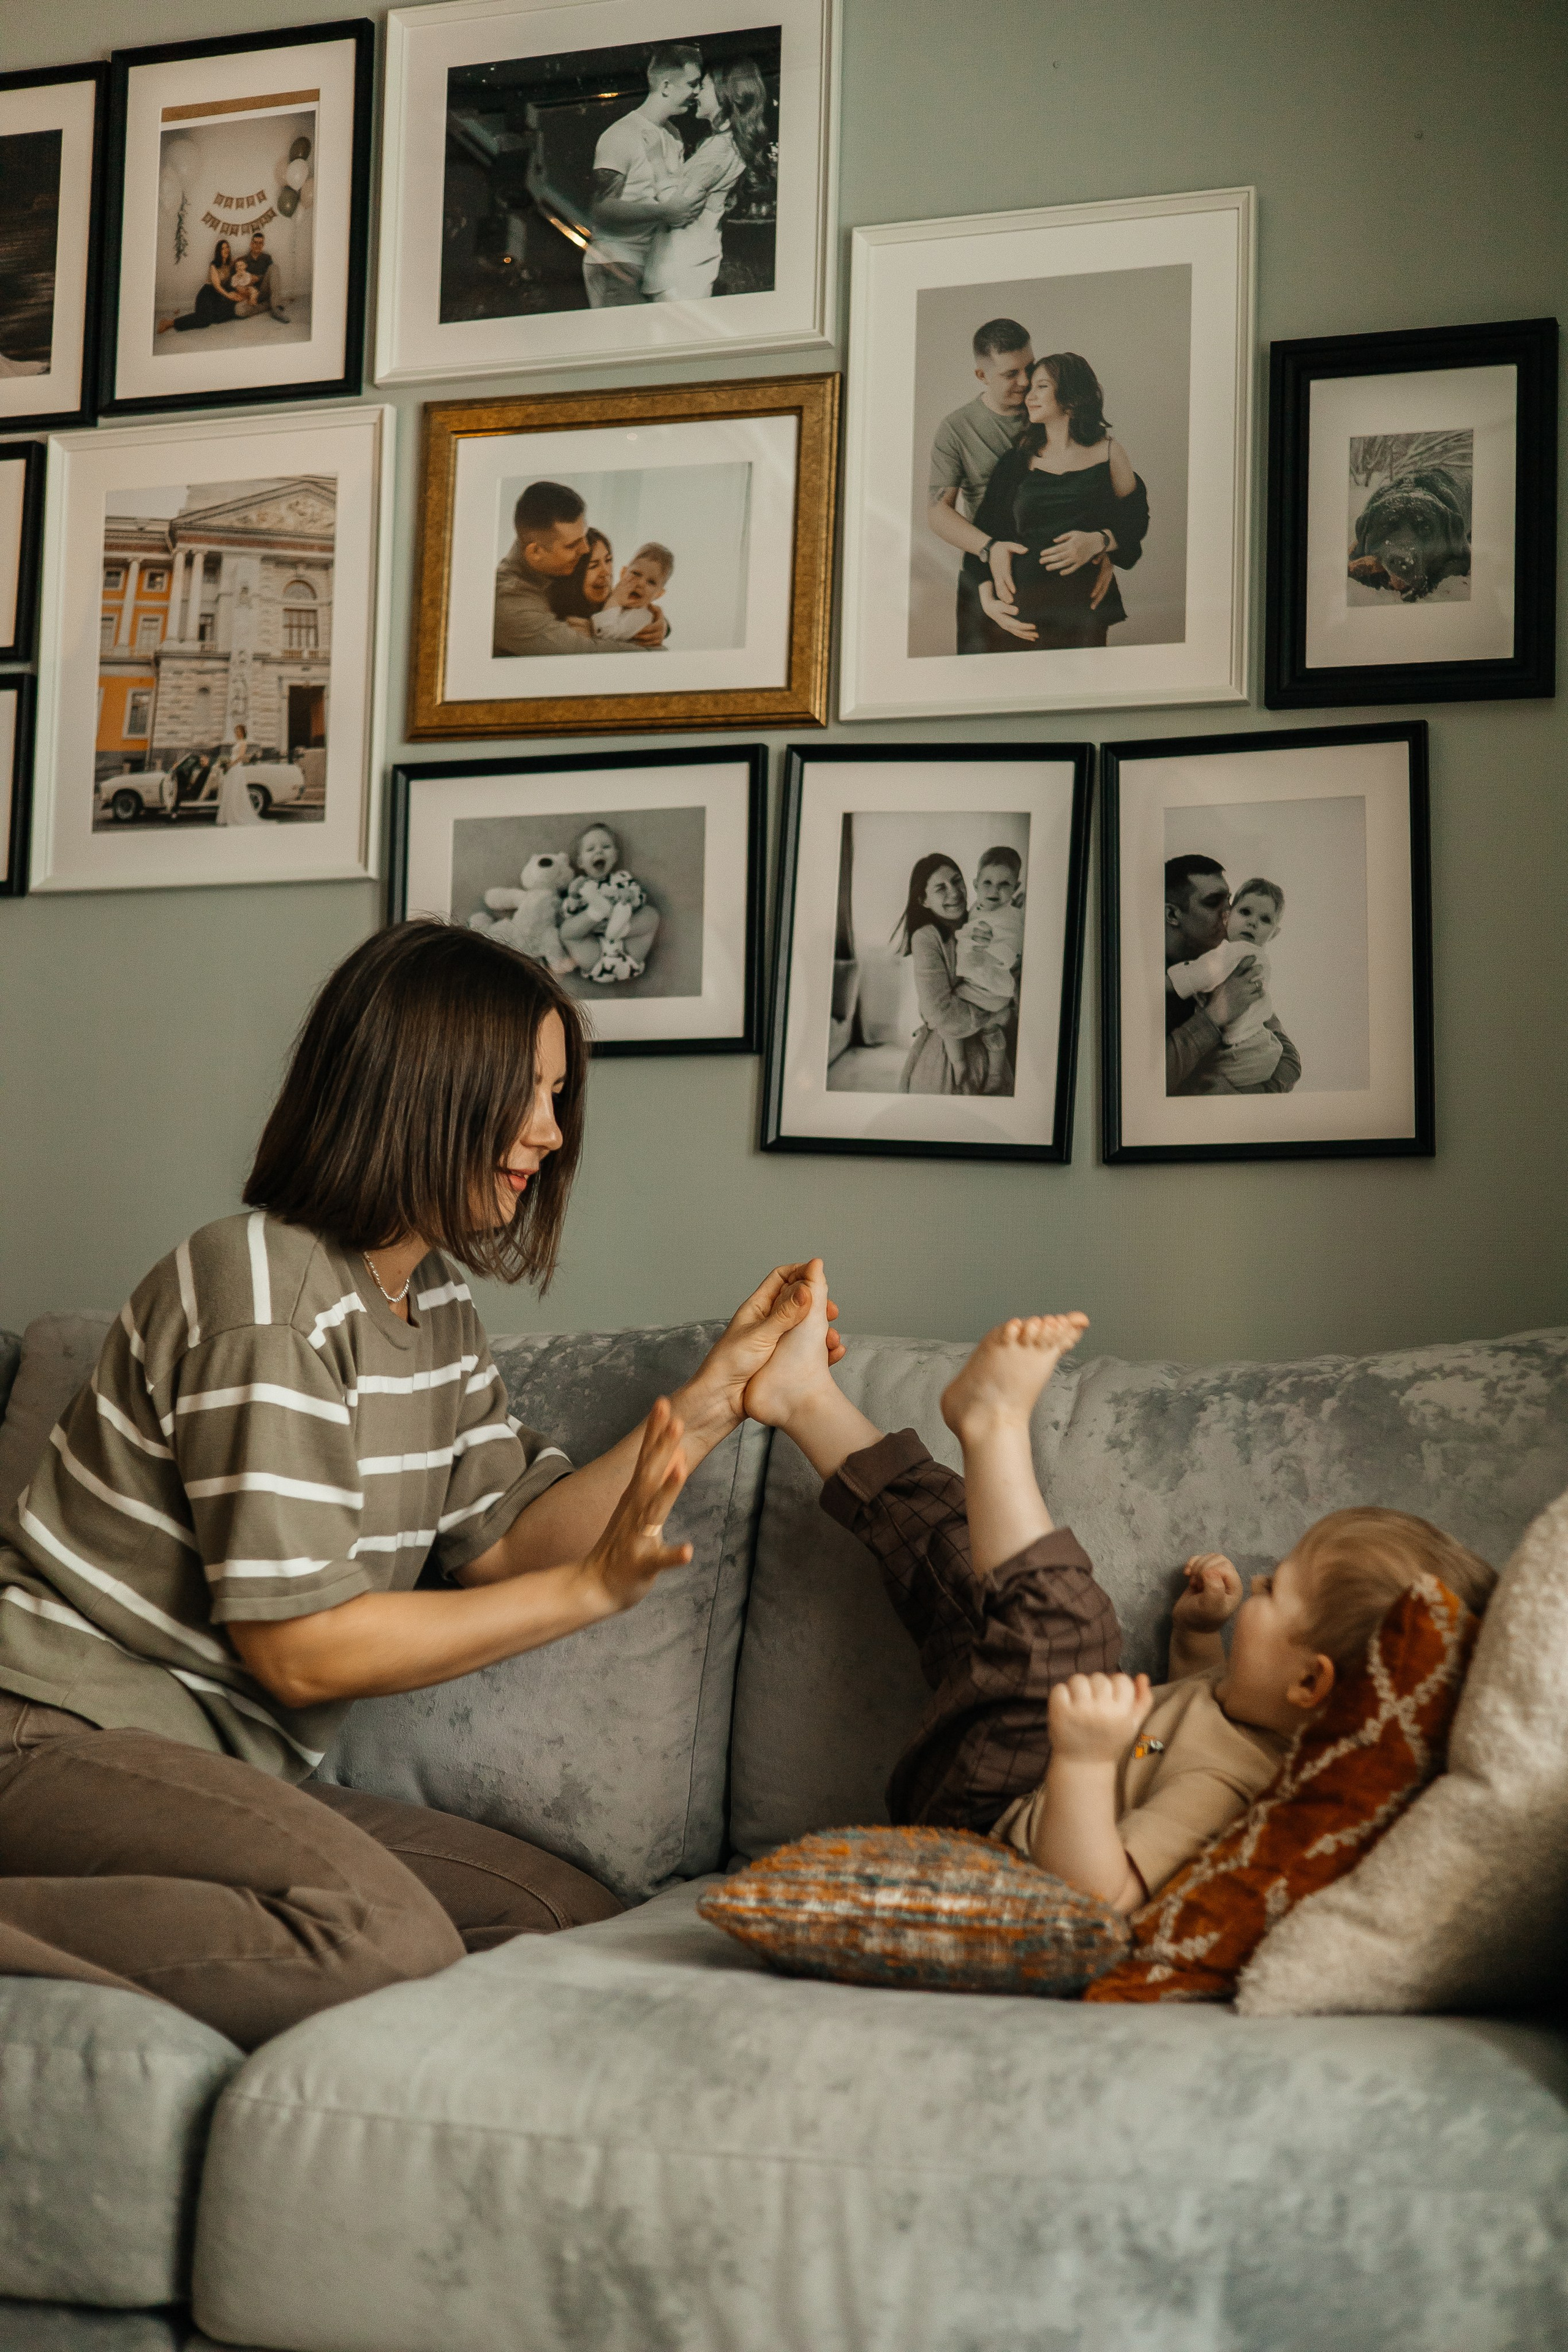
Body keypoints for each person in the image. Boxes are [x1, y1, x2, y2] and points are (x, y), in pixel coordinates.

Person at [0, 924, 842, 2049]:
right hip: (47, 1734)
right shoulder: (264, 1292)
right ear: (422, 1085)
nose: (549, 1134)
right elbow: (299, 1651)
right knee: (384, 1938)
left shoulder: (431, 1306)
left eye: (557, 1096)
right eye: (525, 1094)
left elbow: (508, 1542)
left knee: (562, 1922)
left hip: (209, 1769)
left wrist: (715, 1399)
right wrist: (589, 1594)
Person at [743, 1284, 1496, 1906]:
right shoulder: (1244, 1705)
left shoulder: (1231, 1787)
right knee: (963, 1551)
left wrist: (1081, 1761)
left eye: (1274, 1590)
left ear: (1309, 1682)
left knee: (1071, 1629)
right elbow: (1187, 1705)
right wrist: (1199, 1631)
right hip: (998, 1765)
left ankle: (993, 1424)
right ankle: (805, 1401)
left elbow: (1096, 1895)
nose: (1256, 1583)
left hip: (985, 1833)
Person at [927, 320, 1114, 655]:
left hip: (1067, 579)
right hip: (989, 580)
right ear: (982, 376)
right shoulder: (956, 428)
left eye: (1030, 367)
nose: (1026, 382)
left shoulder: (1056, 407)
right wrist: (989, 549)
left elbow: (1111, 492)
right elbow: (938, 512)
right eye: (1011, 374)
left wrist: (1105, 544)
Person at [966, 353, 1150, 652]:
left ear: (1071, 397)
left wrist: (1101, 541)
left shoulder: (1110, 454)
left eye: (1042, 387)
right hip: (1018, 614)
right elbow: (984, 534)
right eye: (1031, 388)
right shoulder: (1017, 460)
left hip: (1084, 613)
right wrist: (988, 602)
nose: (1029, 396)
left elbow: (1135, 520)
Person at [1164, 854, 1300, 1096]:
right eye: (1213, 902)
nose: (1227, 911)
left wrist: (1243, 1100)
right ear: (1173, 915)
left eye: (1229, 901)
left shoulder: (1236, 962)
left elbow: (1289, 1059)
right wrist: (1214, 1015)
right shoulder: (1143, 981)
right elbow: (1147, 1079)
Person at [582, 45, 706, 308]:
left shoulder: (673, 136)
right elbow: (601, 210)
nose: (697, 92)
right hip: (616, 264)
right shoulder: (622, 134)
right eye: (692, 84)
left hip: (652, 268)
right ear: (666, 86)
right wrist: (663, 212)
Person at [642, 58, 771, 302]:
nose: (696, 92)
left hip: (680, 275)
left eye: (704, 86)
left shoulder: (720, 150)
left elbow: (675, 207)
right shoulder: (721, 142)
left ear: (725, 94)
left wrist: (657, 161)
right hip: (687, 268)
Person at [492, 484, 667, 658]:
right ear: (536, 552)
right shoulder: (511, 605)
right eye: (572, 545)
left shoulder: (553, 560)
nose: (585, 549)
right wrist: (657, 653)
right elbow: (584, 652)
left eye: (583, 537)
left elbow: (610, 605)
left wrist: (654, 622)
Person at [893, 853, 995, 1096]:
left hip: (993, 1044)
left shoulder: (980, 921)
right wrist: (991, 1015)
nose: (955, 892)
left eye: (957, 881)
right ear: (924, 901)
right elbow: (938, 1010)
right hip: (949, 1053)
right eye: (941, 888)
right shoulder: (927, 937)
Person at [954, 845, 1025, 1096]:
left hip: (989, 989)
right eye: (988, 883)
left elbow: (1013, 946)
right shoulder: (976, 908)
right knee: (991, 1033)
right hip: (985, 987)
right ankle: (994, 1072)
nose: (995, 890)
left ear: (1015, 888)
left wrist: (990, 946)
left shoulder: (1012, 917)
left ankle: (959, 1065)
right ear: (975, 885)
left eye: (1005, 884)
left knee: (948, 1019)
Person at [557, 821, 660, 982]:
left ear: (616, 856)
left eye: (606, 847)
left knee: (651, 914)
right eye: (591, 849)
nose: (599, 851)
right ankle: (597, 912)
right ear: (581, 863)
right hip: (595, 954)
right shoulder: (580, 885)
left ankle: (620, 928)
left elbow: (640, 899)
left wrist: (630, 897)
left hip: (628, 948)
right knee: (566, 931)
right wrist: (574, 897)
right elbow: (567, 913)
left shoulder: (622, 879)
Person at [157, 239, 242, 336]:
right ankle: (170, 322)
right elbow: (217, 286)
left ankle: (207, 314)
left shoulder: (230, 264)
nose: (226, 250)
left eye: (227, 247)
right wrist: (229, 296)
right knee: (204, 321)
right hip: (208, 294)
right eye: (223, 248)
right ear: (219, 252)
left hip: (218, 297)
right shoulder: (214, 265)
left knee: (219, 319)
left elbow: (241, 262)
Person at [592, 543, 674, 643]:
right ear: (623, 573)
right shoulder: (608, 596)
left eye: (651, 582)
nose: (640, 583)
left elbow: (605, 635)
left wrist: (615, 600)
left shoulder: (643, 618)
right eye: (636, 574)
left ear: (659, 594)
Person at [213, 725, 263, 828]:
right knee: (229, 790)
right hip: (232, 767)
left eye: (238, 731)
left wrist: (230, 765)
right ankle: (227, 816)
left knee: (235, 790)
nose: (237, 733)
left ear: (243, 732)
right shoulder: (237, 743)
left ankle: (236, 815)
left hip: (236, 768)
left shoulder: (243, 743)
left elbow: (240, 757)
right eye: (236, 731)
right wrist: (227, 763)